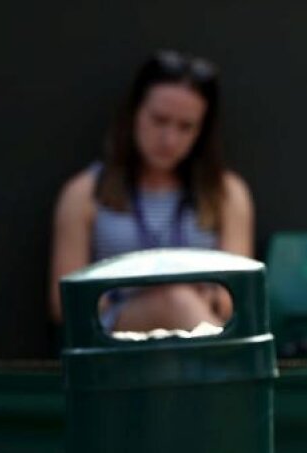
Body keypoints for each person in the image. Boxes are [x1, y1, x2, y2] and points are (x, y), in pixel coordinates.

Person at [49, 50, 253, 331]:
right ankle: (232, 368)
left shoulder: (227, 193)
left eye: (185, 127)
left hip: (199, 333)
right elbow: (65, 304)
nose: (169, 139)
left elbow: (236, 298)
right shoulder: (84, 193)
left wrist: (208, 298)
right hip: (117, 342)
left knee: (179, 302)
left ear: (201, 132)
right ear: (134, 113)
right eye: (159, 120)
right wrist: (157, 300)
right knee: (173, 301)